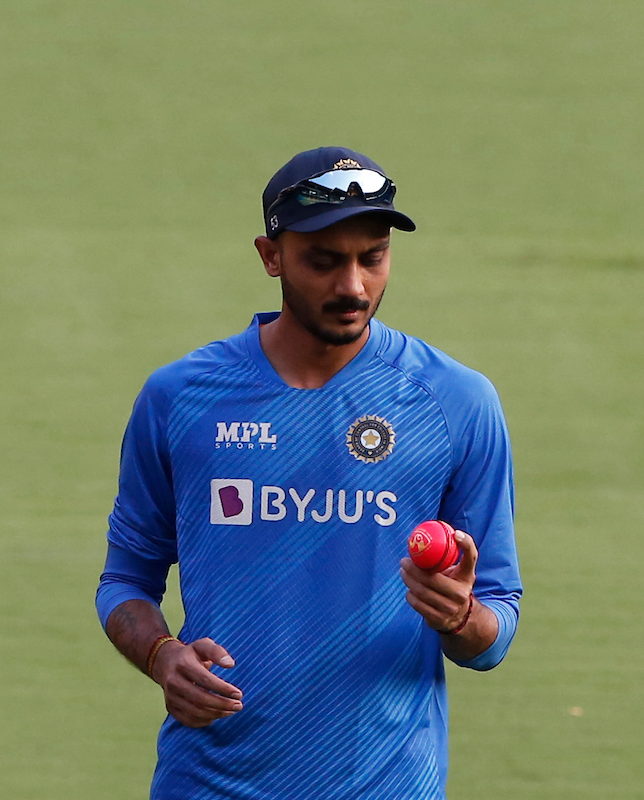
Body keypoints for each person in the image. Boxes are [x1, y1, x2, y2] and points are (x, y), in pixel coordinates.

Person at [96, 147, 522, 799]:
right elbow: (125, 579)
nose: (352, 286)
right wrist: (162, 656)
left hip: (385, 786)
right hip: (208, 783)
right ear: (271, 257)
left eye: (371, 258)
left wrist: (461, 618)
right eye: (324, 261)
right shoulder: (182, 399)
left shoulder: (455, 402)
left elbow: (495, 624)